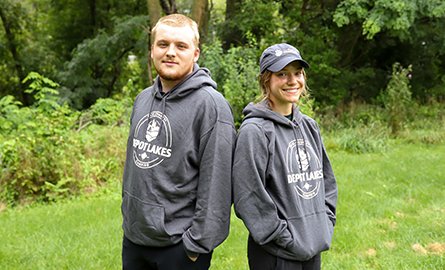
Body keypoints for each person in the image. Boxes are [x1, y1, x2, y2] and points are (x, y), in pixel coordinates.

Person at [121, 13, 235, 270]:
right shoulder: (142, 100)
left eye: (181, 46)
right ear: (152, 50)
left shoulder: (211, 107)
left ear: (195, 53)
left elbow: (217, 185)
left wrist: (194, 247)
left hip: (179, 249)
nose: (170, 52)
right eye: (163, 44)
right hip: (135, 241)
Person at [232, 43, 338, 270]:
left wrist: (325, 223)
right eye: (282, 74)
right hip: (276, 253)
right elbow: (248, 197)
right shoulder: (255, 131)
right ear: (266, 80)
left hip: (312, 246)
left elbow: (326, 182)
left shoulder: (309, 126)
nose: (292, 81)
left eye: (297, 73)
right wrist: (284, 238)